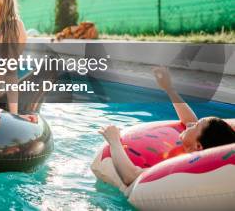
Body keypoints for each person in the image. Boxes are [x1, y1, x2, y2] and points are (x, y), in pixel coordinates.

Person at [99, 66, 235, 186]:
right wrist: (169, 89)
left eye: (196, 125)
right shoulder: (200, 155)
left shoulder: (183, 170)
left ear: (198, 147)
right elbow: (189, 120)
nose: (191, 123)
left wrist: (114, 141)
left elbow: (131, 177)